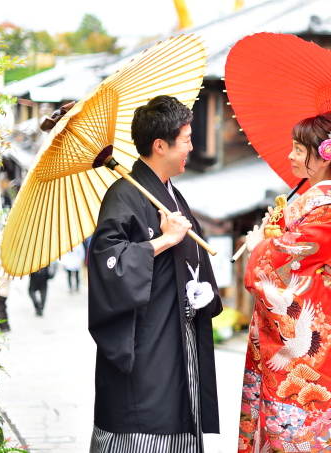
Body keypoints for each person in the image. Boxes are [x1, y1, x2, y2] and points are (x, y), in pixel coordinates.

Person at [87, 95, 222, 452]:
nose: (193, 145)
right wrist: (162, 242)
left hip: (180, 337)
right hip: (145, 346)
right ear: (160, 145)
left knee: (181, 419)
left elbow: (190, 257)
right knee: (144, 427)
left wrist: (203, 288)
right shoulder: (123, 196)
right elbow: (106, 263)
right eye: (187, 138)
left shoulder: (171, 195)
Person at [238, 112, 331, 453]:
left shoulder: (324, 212)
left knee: (298, 436)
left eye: (299, 150)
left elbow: (278, 266)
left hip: (317, 355)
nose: (291, 156)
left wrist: (261, 246)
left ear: (324, 157)